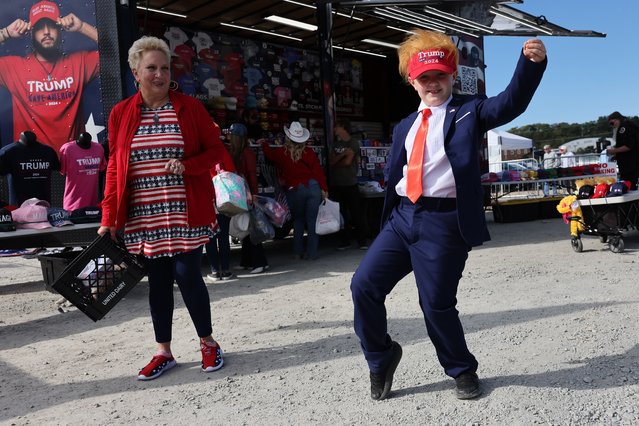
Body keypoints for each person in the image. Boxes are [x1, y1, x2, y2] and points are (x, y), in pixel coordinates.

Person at [350, 29, 546, 401]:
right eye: (425, 77)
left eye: (440, 75)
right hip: (403, 217)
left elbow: (510, 103)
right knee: (363, 287)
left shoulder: (470, 111)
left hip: (443, 222)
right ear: (413, 81)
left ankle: (461, 369)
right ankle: (380, 357)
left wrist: (530, 66)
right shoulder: (404, 126)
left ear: (452, 75)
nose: (433, 83)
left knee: (436, 304)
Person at [98, 36, 233, 381]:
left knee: (188, 275)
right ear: (135, 72)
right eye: (151, 68)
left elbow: (217, 152)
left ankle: (208, 343)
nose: (159, 74)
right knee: (157, 283)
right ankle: (164, 351)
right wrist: (109, 217)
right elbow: (115, 167)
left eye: (164, 67)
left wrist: (187, 165)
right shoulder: (121, 113)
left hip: (184, 212)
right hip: (145, 217)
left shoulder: (188, 107)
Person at [0, 0, 100, 151]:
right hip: (31, 164)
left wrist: (81, 27)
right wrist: (6, 32)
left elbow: (117, 53)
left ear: (60, 30)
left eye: (52, 26)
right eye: (40, 27)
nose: (46, 31)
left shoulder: (79, 62)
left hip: (72, 163)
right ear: (32, 33)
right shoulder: (14, 67)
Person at [260, 122, 328, 260]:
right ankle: (312, 253)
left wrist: (263, 143)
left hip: (295, 190)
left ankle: (297, 252)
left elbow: (269, 154)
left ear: (288, 137)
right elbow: (318, 172)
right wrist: (324, 189)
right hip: (313, 187)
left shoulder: (281, 152)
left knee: (298, 221)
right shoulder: (309, 152)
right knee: (312, 221)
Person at [227, 123, 269, 273]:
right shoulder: (237, 151)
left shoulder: (246, 153)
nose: (229, 137)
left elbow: (251, 175)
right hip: (241, 193)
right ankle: (247, 261)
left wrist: (253, 195)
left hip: (246, 194)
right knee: (245, 228)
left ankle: (260, 262)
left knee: (252, 229)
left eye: (231, 135)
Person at [329, 118, 368, 250]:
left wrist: (339, 160)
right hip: (336, 184)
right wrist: (343, 155)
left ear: (342, 127)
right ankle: (344, 241)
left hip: (350, 183)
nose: (334, 129)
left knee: (356, 213)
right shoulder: (335, 145)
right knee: (341, 214)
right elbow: (332, 162)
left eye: (336, 127)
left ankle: (362, 241)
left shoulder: (353, 142)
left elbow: (347, 162)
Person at [607, 111, 639, 190]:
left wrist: (614, 151)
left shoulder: (624, 128)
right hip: (633, 163)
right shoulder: (629, 125)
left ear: (617, 120)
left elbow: (628, 146)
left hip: (630, 164)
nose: (612, 126)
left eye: (612, 123)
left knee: (629, 186)